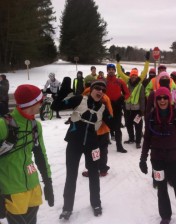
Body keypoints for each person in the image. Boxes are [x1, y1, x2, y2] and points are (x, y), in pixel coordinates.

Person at [51, 78, 112, 219]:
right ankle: (67, 208)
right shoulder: (79, 99)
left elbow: (113, 124)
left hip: (92, 145)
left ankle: (96, 203)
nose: (100, 91)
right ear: (91, 89)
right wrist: (62, 93)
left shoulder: (103, 107)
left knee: (94, 175)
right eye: (97, 88)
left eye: (103, 90)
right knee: (71, 176)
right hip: (74, 143)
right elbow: (55, 107)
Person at [140, 87, 176, 224]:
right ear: (155, 100)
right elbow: (147, 138)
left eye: (165, 97)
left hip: (174, 158)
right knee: (162, 189)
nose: (162, 100)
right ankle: (165, 216)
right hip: (157, 160)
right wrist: (143, 159)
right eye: (159, 98)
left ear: (169, 99)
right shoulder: (151, 117)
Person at [0, 84, 54, 224]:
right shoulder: (3, 125)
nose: (42, 105)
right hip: (11, 190)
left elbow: (41, 155)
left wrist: (48, 182)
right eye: (40, 101)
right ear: (33, 103)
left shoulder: (35, 126)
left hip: (33, 187)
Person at [105, 63, 130, 153]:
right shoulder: (103, 81)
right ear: (107, 70)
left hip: (117, 107)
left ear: (115, 71)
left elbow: (127, 93)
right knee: (104, 126)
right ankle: (103, 145)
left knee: (117, 128)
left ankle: (119, 146)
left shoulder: (120, 81)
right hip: (106, 107)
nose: (111, 71)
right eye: (109, 69)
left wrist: (122, 98)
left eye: (112, 69)